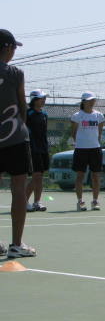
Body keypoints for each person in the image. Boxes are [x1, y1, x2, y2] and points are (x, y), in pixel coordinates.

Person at [0, 28, 36, 258]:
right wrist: (19, 126)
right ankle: (16, 244)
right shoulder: (15, 74)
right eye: (13, 47)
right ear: (7, 48)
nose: (14, 51)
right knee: (19, 189)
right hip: (15, 138)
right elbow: (22, 106)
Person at [70, 92, 105, 211]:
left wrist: (94, 143)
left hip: (95, 149)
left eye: (93, 100)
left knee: (96, 176)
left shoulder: (99, 115)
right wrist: (81, 143)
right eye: (89, 100)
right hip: (81, 149)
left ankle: (95, 201)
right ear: (83, 101)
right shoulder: (77, 116)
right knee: (80, 176)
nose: (92, 102)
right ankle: (80, 201)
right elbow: (73, 133)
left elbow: (99, 132)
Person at [25, 89, 50, 212]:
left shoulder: (44, 114)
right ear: (34, 100)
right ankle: (23, 201)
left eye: (44, 98)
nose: (44, 100)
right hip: (32, 149)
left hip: (43, 149)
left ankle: (37, 202)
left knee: (40, 176)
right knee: (36, 176)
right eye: (41, 98)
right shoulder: (28, 114)